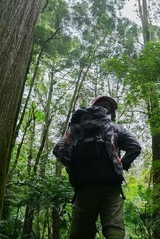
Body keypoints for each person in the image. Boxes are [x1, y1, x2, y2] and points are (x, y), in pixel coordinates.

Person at [53, 96, 141, 239]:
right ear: (110, 112)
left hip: (84, 187)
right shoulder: (116, 129)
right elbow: (135, 147)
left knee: (81, 232)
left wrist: (74, 166)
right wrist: (119, 166)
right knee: (114, 229)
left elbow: (58, 150)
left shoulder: (77, 128)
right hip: (110, 186)